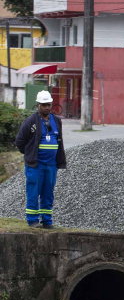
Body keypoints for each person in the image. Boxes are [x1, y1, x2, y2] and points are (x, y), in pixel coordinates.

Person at [14, 91, 66, 229]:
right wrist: (29, 154)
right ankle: (32, 220)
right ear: (38, 105)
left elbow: (59, 140)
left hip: (51, 165)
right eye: (43, 105)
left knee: (48, 194)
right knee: (33, 192)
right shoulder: (31, 121)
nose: (47, 108)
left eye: (48, 105)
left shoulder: (56, 121)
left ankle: (47, 221)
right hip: (36, 165)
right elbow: (20, 141)